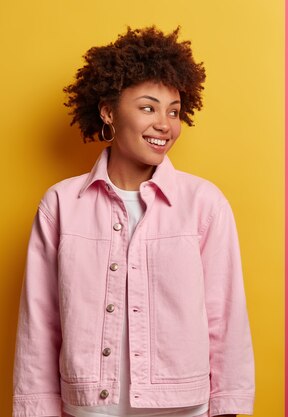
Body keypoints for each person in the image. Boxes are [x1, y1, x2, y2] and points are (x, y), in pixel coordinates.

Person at [13, 27, 254, 417]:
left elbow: (225, 318)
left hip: (183, 409)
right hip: (90, 409)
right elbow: (40, 325)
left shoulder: (203, 204)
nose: (165, 124)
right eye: (148, 107)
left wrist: (226, 407)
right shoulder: (60, 205)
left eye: (173, 111)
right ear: (108, 111)